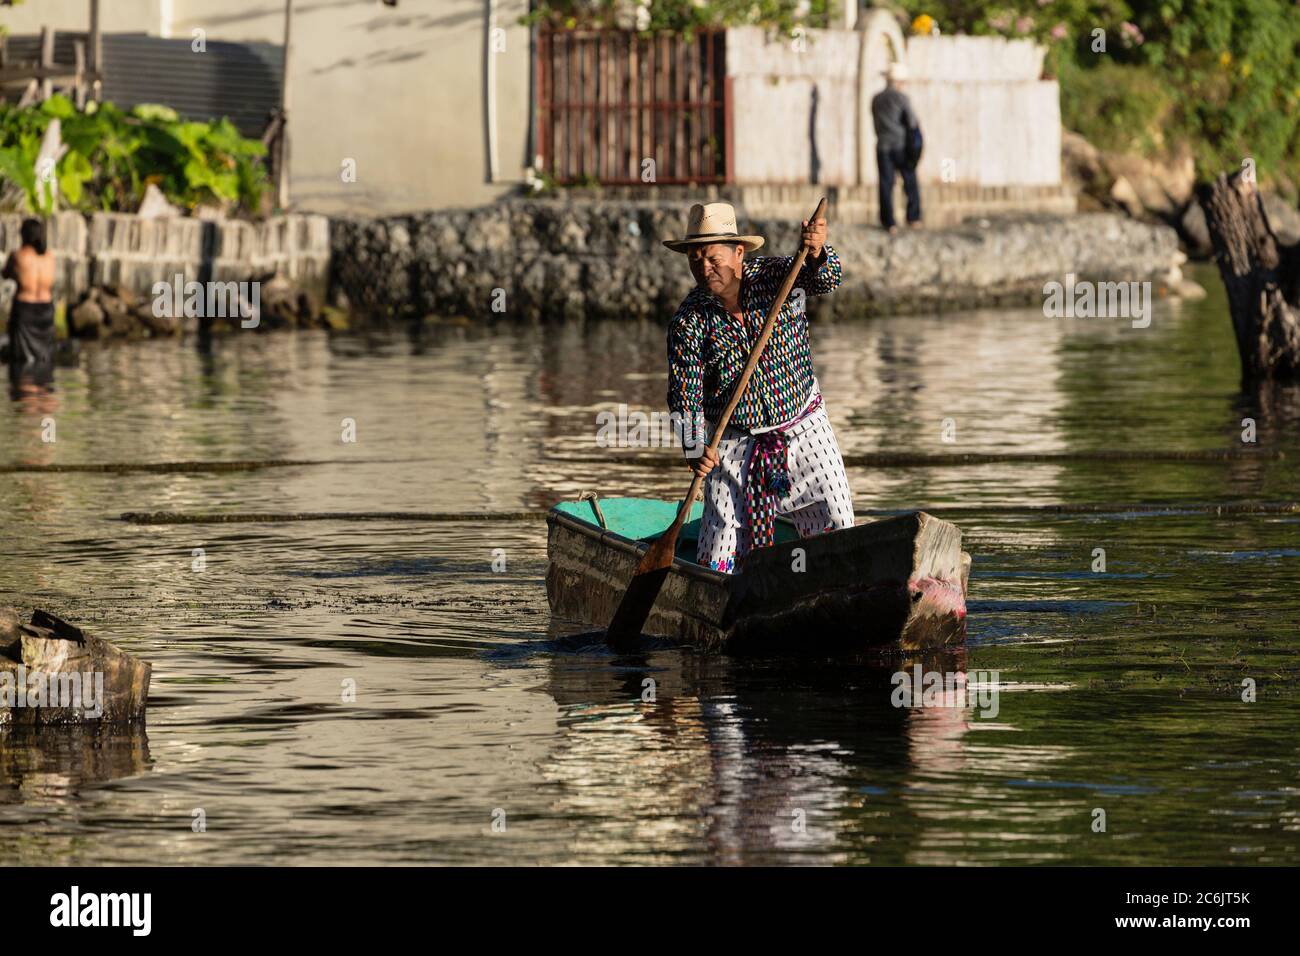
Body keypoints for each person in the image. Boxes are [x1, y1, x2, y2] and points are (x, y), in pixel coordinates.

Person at [664, 201, 854, 574]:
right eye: (695, 259)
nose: (704, 268)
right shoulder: (689, 321)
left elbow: (825, 278)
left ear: (738, 253)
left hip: (802, 424)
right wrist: (693, 447)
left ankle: (832, 583)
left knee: (837, 520)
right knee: (719, 553)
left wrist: (815, 252)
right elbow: (683, 395)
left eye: (713, 258)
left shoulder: (776, 276)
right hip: (732, 441)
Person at [2, 218, 57, 392]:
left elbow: (6, 274)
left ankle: (24, 391)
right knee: (44, 357)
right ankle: (43, 387)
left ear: (24, 235)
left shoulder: (18, 256)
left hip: (25, 310)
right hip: (46, 310)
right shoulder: (50, 256)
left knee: (22, 359)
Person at [871, 61, 922, 234]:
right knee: (910, 181)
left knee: (886, 184)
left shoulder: (876, 99)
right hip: (901, 146)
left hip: (882, 146)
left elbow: (876, 124)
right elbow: (912, 122)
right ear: (900, 82)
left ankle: (889, 222)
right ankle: (913, 218)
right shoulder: (902, 98)